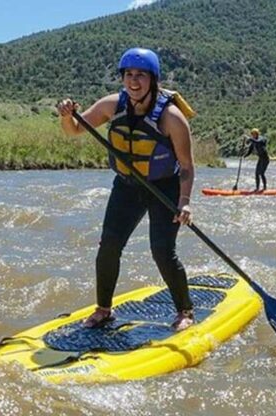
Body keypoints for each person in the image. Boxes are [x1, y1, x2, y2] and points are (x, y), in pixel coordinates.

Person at [56, 47, 196, 332]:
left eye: (141, 75)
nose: (134, 81)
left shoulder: (171, 117)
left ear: (152, 79)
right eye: (129, 74)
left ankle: (185, 310)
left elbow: (186, 166)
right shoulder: (112, 105)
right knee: (109, 246)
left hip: (164, 188)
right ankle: (103, 309)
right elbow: (74, 131)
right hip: (127, 186)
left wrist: (184, 201)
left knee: (162, 251)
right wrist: (66, 116)